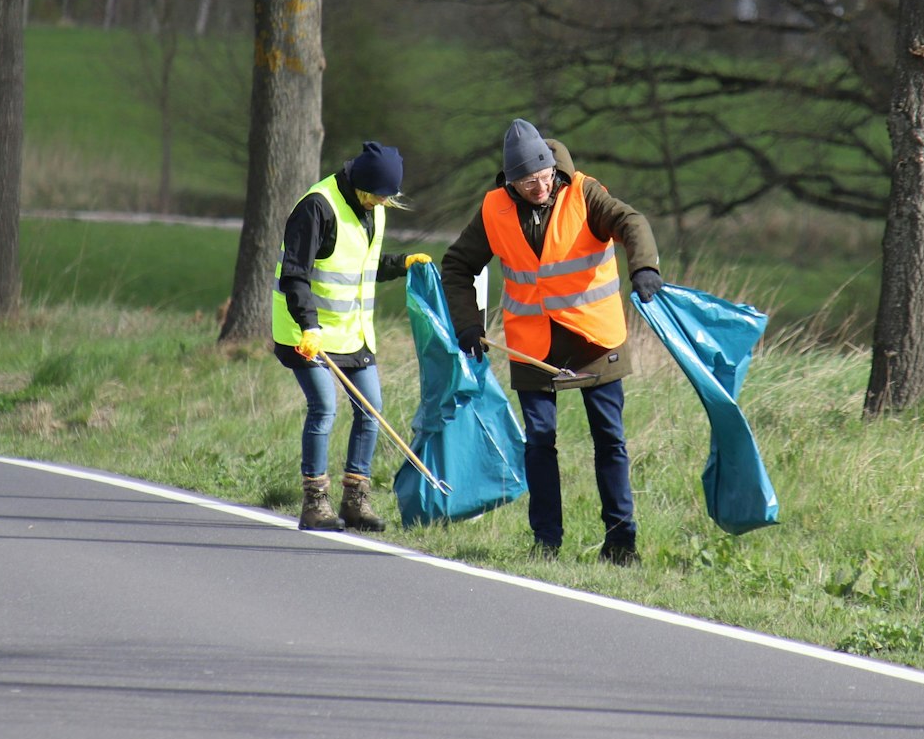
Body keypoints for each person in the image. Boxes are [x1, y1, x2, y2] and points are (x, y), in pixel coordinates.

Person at [440, 119, 662, 565]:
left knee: (610, 439)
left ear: (553, 169)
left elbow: (631, 221)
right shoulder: (493, 209)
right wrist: (468, 325)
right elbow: (458, 266)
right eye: (527, 183)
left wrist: (644, 268)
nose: (538, 188)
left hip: (596, 337)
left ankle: (621, 543)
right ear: (510, 182)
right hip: (532, 344)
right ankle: (546, 544)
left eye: (543, 177)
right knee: (539, 441)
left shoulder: (584, 193)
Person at [272, 141, 431, 532]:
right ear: (361, 184)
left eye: (387, 197)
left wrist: (402, 264)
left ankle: (355, 500)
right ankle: (315, 502)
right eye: (378, 195)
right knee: (324, 407)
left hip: (352, 333)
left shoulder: (373, 208)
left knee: (371, 408)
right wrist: (309, 326)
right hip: (305, 332)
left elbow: (362, 268)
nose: (383, 203)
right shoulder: (317, 207)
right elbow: (294, 275)